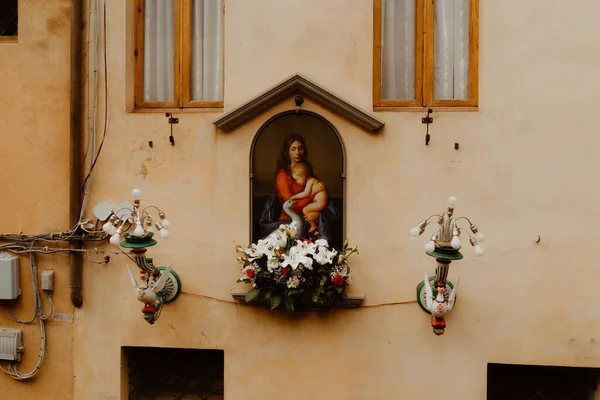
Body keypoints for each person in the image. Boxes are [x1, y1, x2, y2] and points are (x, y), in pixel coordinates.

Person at [259, 133, 338, 241]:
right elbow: (290, 206)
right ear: (287, 152)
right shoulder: (282, 176)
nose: (297, 152)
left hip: (309, 220)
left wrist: (318, 213)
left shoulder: (306, 170)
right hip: (290, 222)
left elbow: (322, 198)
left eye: (300, 148)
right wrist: (312, 194)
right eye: (293, 149)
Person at [289, 162, 328, 233]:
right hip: (319, 202)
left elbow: (306, 194)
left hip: (320, 202)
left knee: (305, 210)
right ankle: (315, 225)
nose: (297, 182)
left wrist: (294, 197)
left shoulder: (310, 181)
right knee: (309, 212)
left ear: (303, 176)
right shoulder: (311, 180)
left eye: (297, 179)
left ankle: (313, 225)